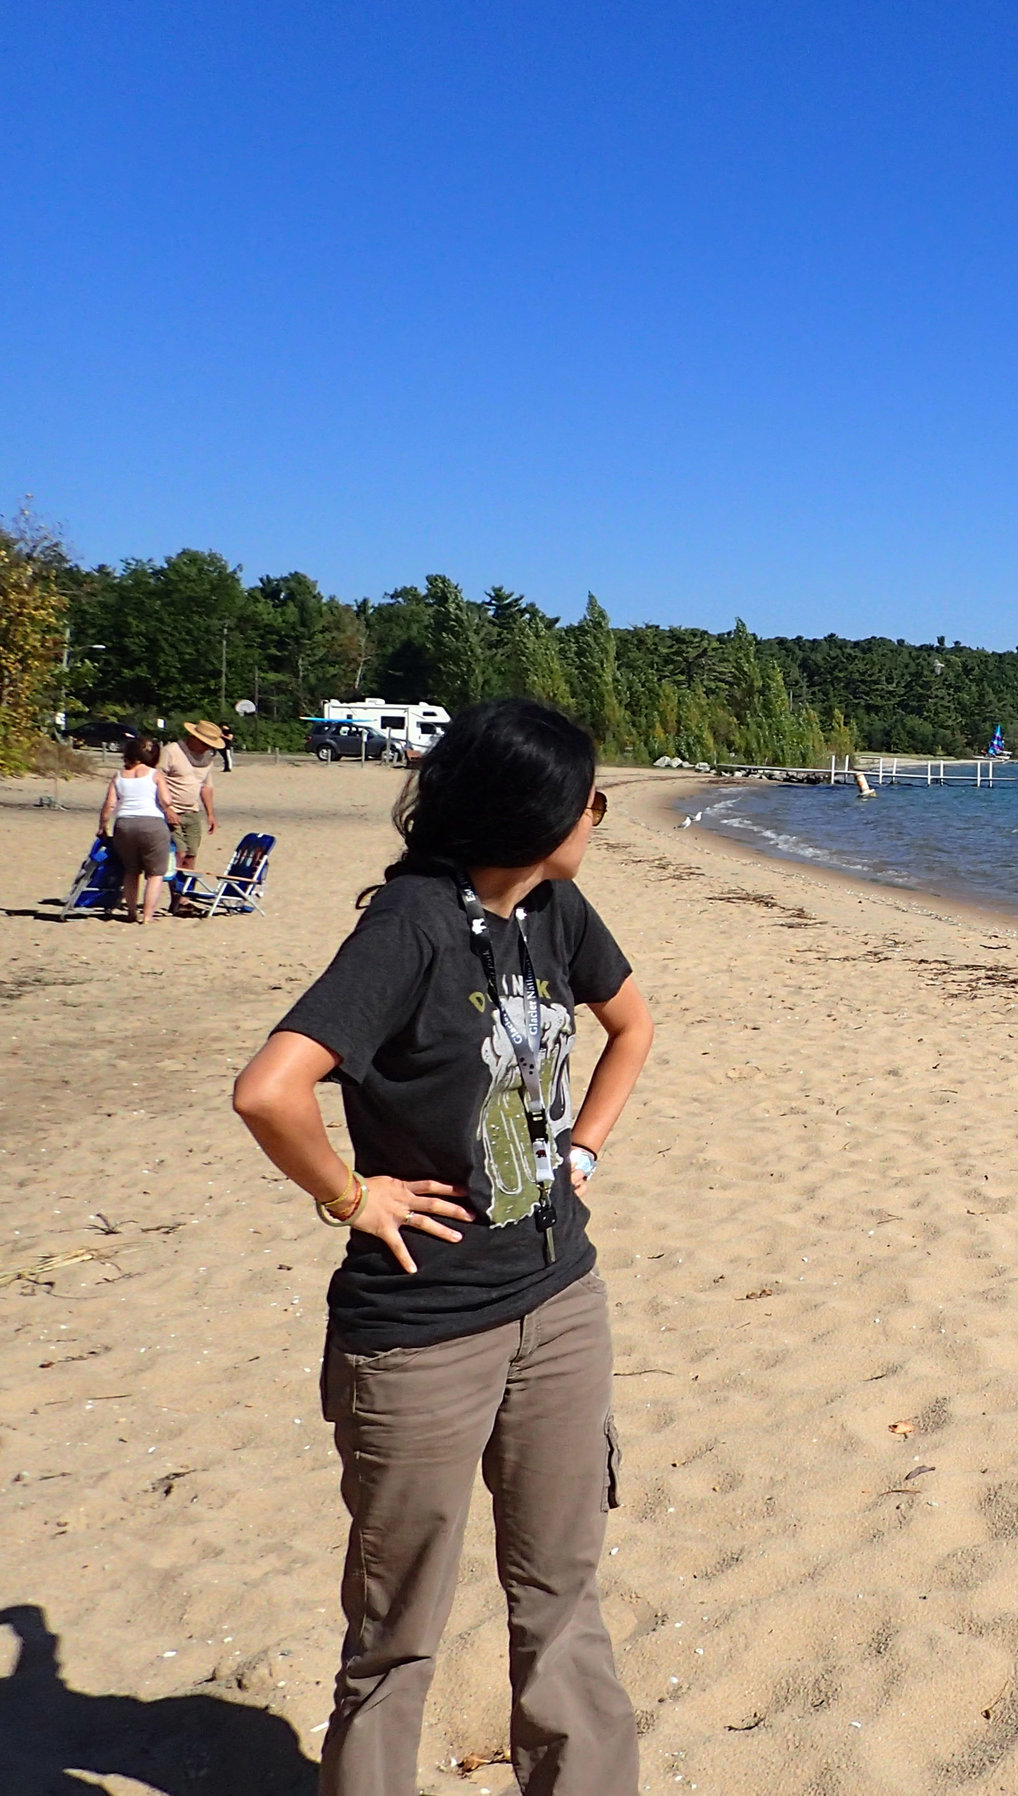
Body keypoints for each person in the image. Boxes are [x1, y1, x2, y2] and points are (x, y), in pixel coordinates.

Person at [231, 699, 654, 1796]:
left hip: (560, 1301)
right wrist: (351, 1193)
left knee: (563, 1600)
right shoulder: (410, 925)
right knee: (395, 1634)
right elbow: (269, 1091)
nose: (599, 814)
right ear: (532, 808)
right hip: (419, 1333)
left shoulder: (556, 909)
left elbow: (634, 1023)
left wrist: (586, 1150)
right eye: (590, 798)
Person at [97, 735, 174, 924]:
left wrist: (102, 826)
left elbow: (109, 805)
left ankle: (131, 911)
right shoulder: (155, 774)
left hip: (125, 824)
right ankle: (148, 915)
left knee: (131, 871)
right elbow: (166, 800)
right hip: (152, 823)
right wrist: (170, 811)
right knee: (155, 873)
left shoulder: (119, 776)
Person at [158, 721, 225, 876]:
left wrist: (210, 814)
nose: (207, 747)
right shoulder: (171, 751)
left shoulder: (207, 758)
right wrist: (167, 809)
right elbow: (156, 780)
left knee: (191, 855)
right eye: (204, 743)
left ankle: (182, 898)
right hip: (171, 812)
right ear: (194, 737)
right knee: (178, 854)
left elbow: (206, 786)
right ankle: (175, 893)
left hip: (192, 812)